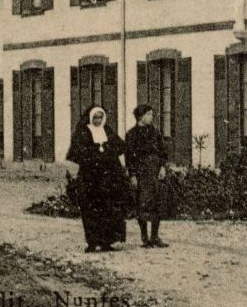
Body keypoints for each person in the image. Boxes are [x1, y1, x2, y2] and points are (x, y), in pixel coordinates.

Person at [66, 105, 128, 252]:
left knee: (108, 208)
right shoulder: (83, 132)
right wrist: (96, 154)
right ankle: (93, 242)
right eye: (95, 117)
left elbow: (119, 147)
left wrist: (106, 150)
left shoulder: (107, 130)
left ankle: (107, 241)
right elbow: (79, 152)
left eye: (100, 117)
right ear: (90, 118)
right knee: (91, 208)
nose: (98, 120)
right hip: (90, 178)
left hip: (108, 178)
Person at [127, 104, 170, 248]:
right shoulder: (131, 134)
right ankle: (145, 238)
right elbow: (129, 157)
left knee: (158, 202)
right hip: (141, 172)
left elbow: (163, 151)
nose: (152, 117)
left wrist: (162, 167)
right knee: (142, 203)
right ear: (141, 116)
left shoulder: (155, 132)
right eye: (149, 114)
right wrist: (132, 175)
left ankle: (155, 236)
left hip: (155, 171)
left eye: (152, 114)